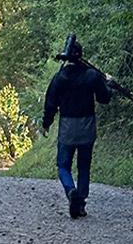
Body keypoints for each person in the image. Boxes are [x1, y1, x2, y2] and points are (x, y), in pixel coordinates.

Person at [41, 38, 113, 219]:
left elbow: (50, 104)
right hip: (87, 126)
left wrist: (46, 124)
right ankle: (80, 202)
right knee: (84, 165)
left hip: (67, 127)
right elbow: (104, 98)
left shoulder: (59, 78)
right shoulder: (91, 75)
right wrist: (108, 85)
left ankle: (71, 190)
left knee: (63, 165)